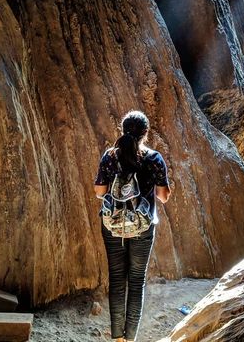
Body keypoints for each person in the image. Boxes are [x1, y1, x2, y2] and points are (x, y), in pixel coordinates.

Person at [94, 110, 171, 342]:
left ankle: (117, 339)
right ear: (145, 134)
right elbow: (163, 196)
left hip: (112, 225)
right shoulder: (154, 158)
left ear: (122, 130)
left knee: (117, 278)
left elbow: (99, 192)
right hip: (142, 226)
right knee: (136, 281)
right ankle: (130, 339)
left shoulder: (109, 157)